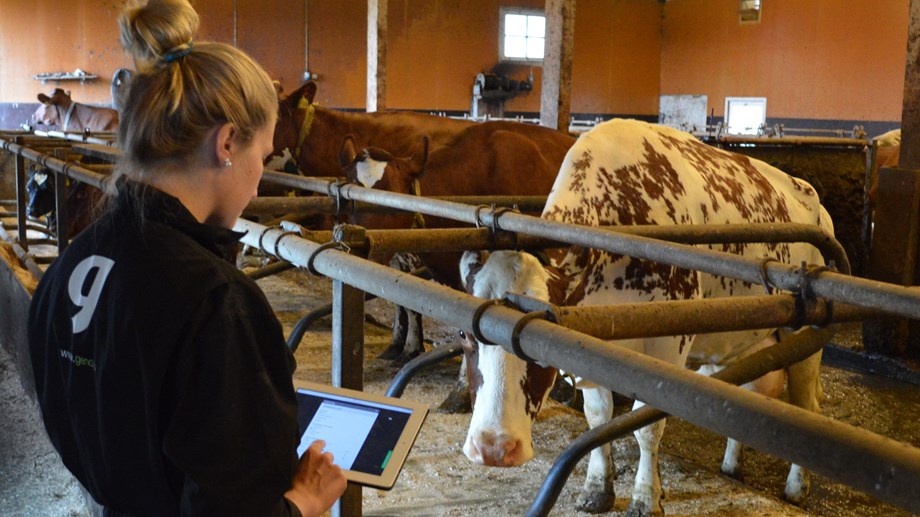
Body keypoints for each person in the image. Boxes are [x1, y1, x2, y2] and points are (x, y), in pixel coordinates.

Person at [27, 1, 346, 515]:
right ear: (227, 143)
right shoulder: (217, 303)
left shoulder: (75, 260)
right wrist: (304, 503)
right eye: (261, 157)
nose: (259, 178)